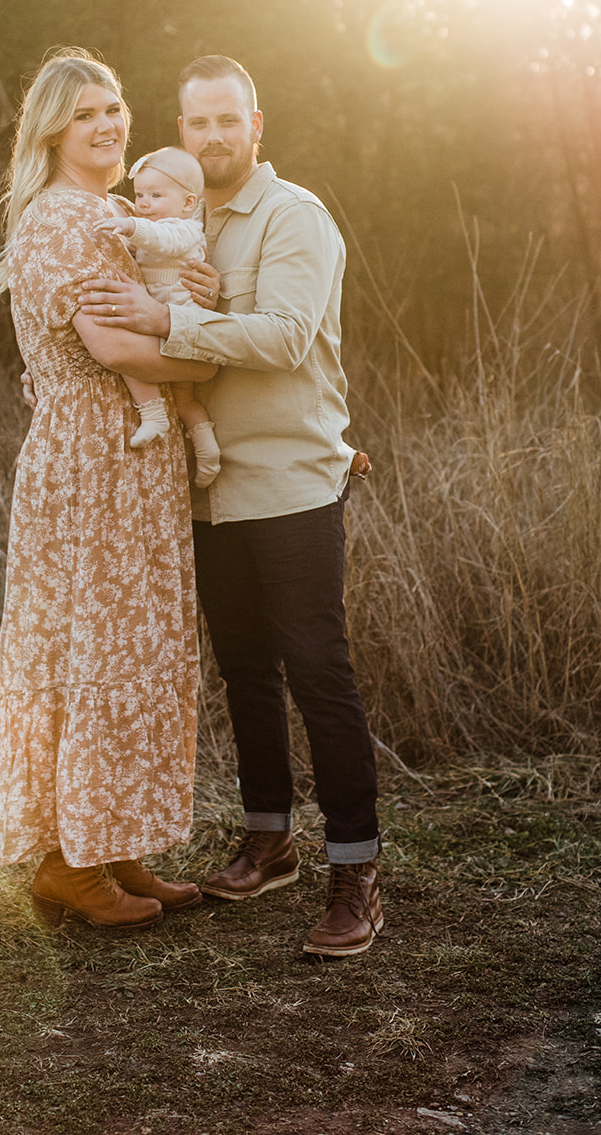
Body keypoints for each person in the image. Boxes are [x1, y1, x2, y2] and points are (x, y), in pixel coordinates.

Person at [77, 54, 383, 958]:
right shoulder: (174, 216)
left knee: (318, 669)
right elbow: (109, 325)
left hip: (289, 480)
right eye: (195, 122)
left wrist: (162, 320)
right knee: (244, 669)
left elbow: (287, 338)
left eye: (227, 121)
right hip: (206, 490)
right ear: (180, 131)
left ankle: (355, 872)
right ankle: (267, 839)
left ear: (257, 126)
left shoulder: (294, 218)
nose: (210, 137)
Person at [0, 48, 216, 932]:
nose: (109, 125)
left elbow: (159, 307)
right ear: (52, 131)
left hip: (132, 459)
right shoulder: (60, 221)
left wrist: (191, 307)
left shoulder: (115, 214)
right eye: (86, 115)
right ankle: (66, 864)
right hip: (88, 462)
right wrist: (218, 354)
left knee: (131, 650)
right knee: (87, 651)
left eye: (115, 108)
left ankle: (109, 842)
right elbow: (113, 352)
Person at [93, 146, 221, 488]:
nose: (144, 203)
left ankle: (195, 444)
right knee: (173, 390)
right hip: (158, 321)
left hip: (181, 319)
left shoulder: (186, 230)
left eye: (155, 195)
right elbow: (146, 248)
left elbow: (162, 240)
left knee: (175, 388)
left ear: (188, 204)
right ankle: (166, 424)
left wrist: (131, 225)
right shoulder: (153, 230)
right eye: (139, 194)